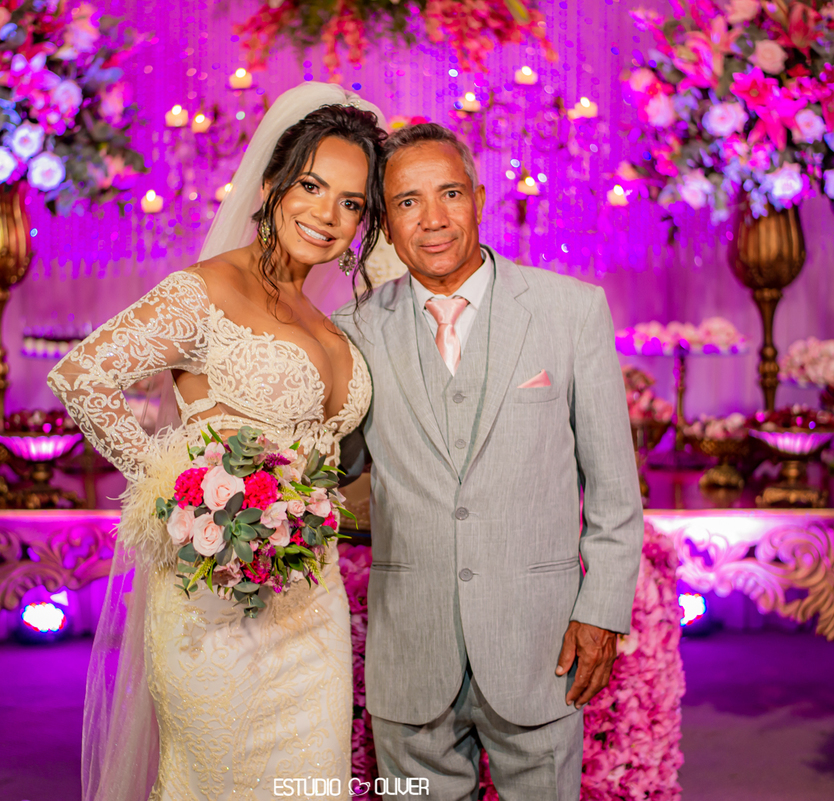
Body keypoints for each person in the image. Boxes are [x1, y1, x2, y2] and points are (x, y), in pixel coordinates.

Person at [48, 83, 387, 801]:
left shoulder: (328, 319)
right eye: (311, 186)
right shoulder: (204, 290)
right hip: (217, 607)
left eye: (352, 203)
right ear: (270, 186)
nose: (327, 215)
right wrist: (185, 495)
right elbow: (83, 377)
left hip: (316, 609)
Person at [333, 123, 644, 800]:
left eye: (449, 193)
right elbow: (334, 469)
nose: (433, 219)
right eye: (408, 202)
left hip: (540, 644)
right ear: (384, 220)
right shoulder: (352, 332)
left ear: (478, 198)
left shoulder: (571, 311)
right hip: (411, 648)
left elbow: (615, 492)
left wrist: (602, 611)